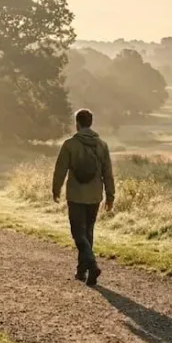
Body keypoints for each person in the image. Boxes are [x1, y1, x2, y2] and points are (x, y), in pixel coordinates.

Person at [51, 108, 115, 286]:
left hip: (76, 195)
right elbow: (108, 173)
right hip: (95, 195)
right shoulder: (102, 145)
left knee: (78, 232)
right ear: (91, 123)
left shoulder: (70, 144)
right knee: (88, 232)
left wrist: (56, 190)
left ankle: (92, 266)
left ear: (77, 124)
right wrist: (110, 196)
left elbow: (60, 169)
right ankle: (82, 271)